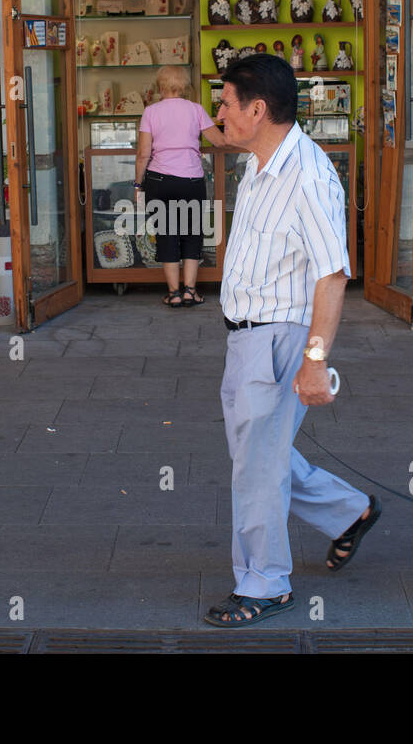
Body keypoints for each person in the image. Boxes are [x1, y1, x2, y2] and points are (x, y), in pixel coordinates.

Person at [204, 53, 380, 628]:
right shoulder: (259, 159)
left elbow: (333, 273)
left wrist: (314, 360)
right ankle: (350, 512)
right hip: (246, 338)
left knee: (256, 465)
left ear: (257, 109)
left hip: (279, 338)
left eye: (226, 102)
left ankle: (265, 583)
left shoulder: (306, 174)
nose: (220, 112)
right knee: (259, 453)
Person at [134, 65, 228, 307]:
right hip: (191, 180)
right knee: (191, 236)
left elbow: (143, 154)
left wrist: (137, 184)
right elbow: (219, 142)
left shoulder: (151, 112)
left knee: (166, 235)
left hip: (159, 180)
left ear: (160, 86)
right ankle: (190, 292)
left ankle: (174, 293)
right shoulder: (196, 109)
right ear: (184, 85)